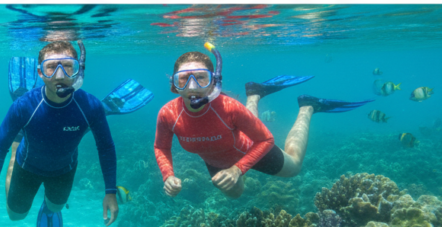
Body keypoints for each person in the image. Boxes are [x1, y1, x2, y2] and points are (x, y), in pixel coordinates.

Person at [155, 44, 371, 199]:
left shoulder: (229, 108)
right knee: (235, 195)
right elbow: (161, 146)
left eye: (201, 77)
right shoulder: (168, 114)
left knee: (294, 166)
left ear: (214, 82)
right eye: (183, 79)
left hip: (251, 151)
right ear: (174, 85)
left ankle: (308, 107)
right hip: (217, 162)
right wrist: (168, 175)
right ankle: (255, 94)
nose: (192, 86)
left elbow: (266, 139)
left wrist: (237, 170)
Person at [0, 41, 119, 227]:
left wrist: (111, 192)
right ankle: (17, 144)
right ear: (40, 73)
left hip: (64, 169)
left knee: (55, 207)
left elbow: (106, 148)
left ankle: (48, 203)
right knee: (15, 216)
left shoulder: (91, 106)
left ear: (78, 70)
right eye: (52, 67)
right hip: (27, 166)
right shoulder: (23, 106)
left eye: (68, 66)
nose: (60, 75)